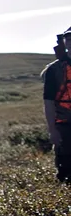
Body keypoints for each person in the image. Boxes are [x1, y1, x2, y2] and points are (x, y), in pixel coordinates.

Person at [42, 26, 71, 183]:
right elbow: (48, 101)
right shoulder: (53, 70)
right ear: (64, 43)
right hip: (63, 124)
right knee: (66, 169)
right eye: (69, 39)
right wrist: (52, 130)